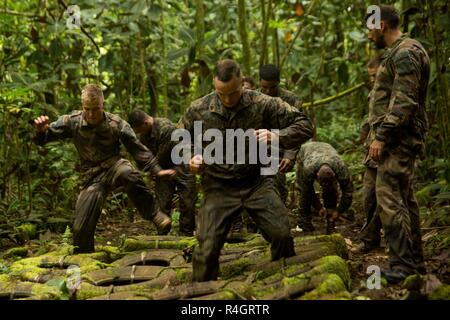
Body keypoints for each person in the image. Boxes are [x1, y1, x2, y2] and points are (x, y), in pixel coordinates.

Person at [180, 59, 313, 282]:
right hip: (218, 186)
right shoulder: (199, 109)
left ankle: (280, 283)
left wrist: (277, 136)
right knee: (206, 250)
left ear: (242, 82)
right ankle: (204, 296)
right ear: (214, 84)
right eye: (221, 94)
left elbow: (305, 125)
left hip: (256, 182)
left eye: (233, 93)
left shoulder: (263, 103)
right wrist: (191, 157)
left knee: (281, 235)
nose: (228, 99)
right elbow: (180, 138)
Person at [33, 84, 175, 253]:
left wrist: (157, 170)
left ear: (103, 105)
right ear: (82, 106)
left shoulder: (116, 124)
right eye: (87, 109)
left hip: (114, 166)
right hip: (91, 176)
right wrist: (41, 131)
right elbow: (46, 138)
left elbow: (137, 149)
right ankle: (86, 259)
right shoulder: (72, 121)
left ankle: (155, 215)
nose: (92, 114)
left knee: (128, 173)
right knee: (80, 230)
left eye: (96, 109)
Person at [366, 5, 430, 283]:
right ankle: (414, 262)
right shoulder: (402, 51)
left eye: (370, 28)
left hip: (397, 140)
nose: (368, 35)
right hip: (398, 139)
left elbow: (405, 101)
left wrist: (382, 136)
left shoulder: (405, 52)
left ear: (381, 26)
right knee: (404, 198)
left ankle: (403, 265)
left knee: (390, 199)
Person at [128, 109, 197, 236]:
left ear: (146, 123)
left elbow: (163, 153)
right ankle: (162, 233)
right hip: (163, 168)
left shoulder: (165, 127)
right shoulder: (144, 135)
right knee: (162, 203)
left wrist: (155, 170)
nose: (138, 133)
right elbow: (144, 157)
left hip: (182, 164)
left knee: (187, 202)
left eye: (138, 130)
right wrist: (156, 171)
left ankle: (186, 234)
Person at [259, 64, 301, 204]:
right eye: (265, 87)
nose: (268, 91)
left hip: (281, 148)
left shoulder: (291, 100)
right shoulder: (253, 98)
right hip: (256, 149)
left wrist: (290, 155)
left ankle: (280, 212)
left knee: (276, 181)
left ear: (278, 82)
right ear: (260, 82)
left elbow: (297, 130)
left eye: (272, 87)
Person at [295, 142, 353, 234]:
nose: (323, 186)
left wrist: (338, 211)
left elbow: (348, 193)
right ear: (316, 175)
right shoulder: (308, 169)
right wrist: (319, 207)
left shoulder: (341, 168)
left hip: (327, 149)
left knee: (330, 190)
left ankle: (330, 224)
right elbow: (308, 191)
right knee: (303, 192)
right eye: (322, 183)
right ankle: (304, 224)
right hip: (305, 151)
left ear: (334, 175)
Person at [357, 55, 383, 254]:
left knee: (387, 199)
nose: (373, 80)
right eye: (370, 77)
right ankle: (370, 239)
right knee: (368, 197)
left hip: (387, 152)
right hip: (371, 153)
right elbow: (371, 118)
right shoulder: (375, 91)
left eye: (376, 76)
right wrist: (364, 133)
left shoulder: (394, 91)